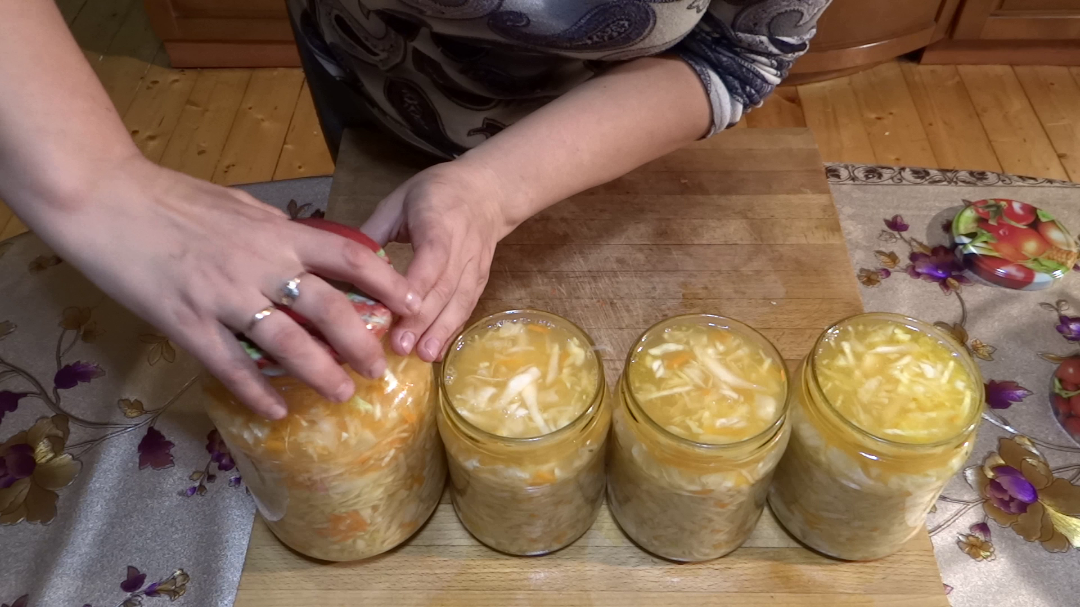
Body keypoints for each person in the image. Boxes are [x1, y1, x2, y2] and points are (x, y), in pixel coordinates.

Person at [0, 0, 830, 419]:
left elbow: (739, 49)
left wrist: (494, 186)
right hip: (377, 72)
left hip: (623, 126)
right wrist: (98, 180)